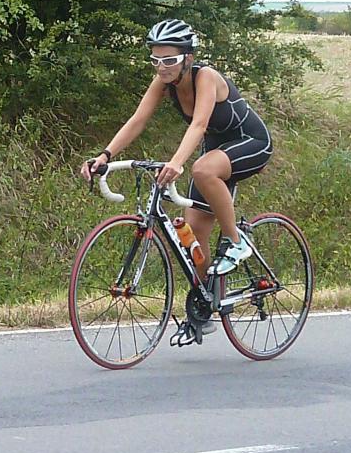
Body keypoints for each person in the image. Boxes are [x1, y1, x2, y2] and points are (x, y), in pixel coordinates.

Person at [80, 18, 272, 279]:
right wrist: (105, 155)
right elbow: (137, 120)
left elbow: (199, 124)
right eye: (156, 60)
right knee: (194, 237)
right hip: (216, 150)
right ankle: (203, 299)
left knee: (202, 169)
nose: (161, 67)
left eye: (169, 60)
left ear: (188, 58)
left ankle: (236, 242)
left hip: (252, 141)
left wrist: (176, 163)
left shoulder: (206, 76)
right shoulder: (163, 82)